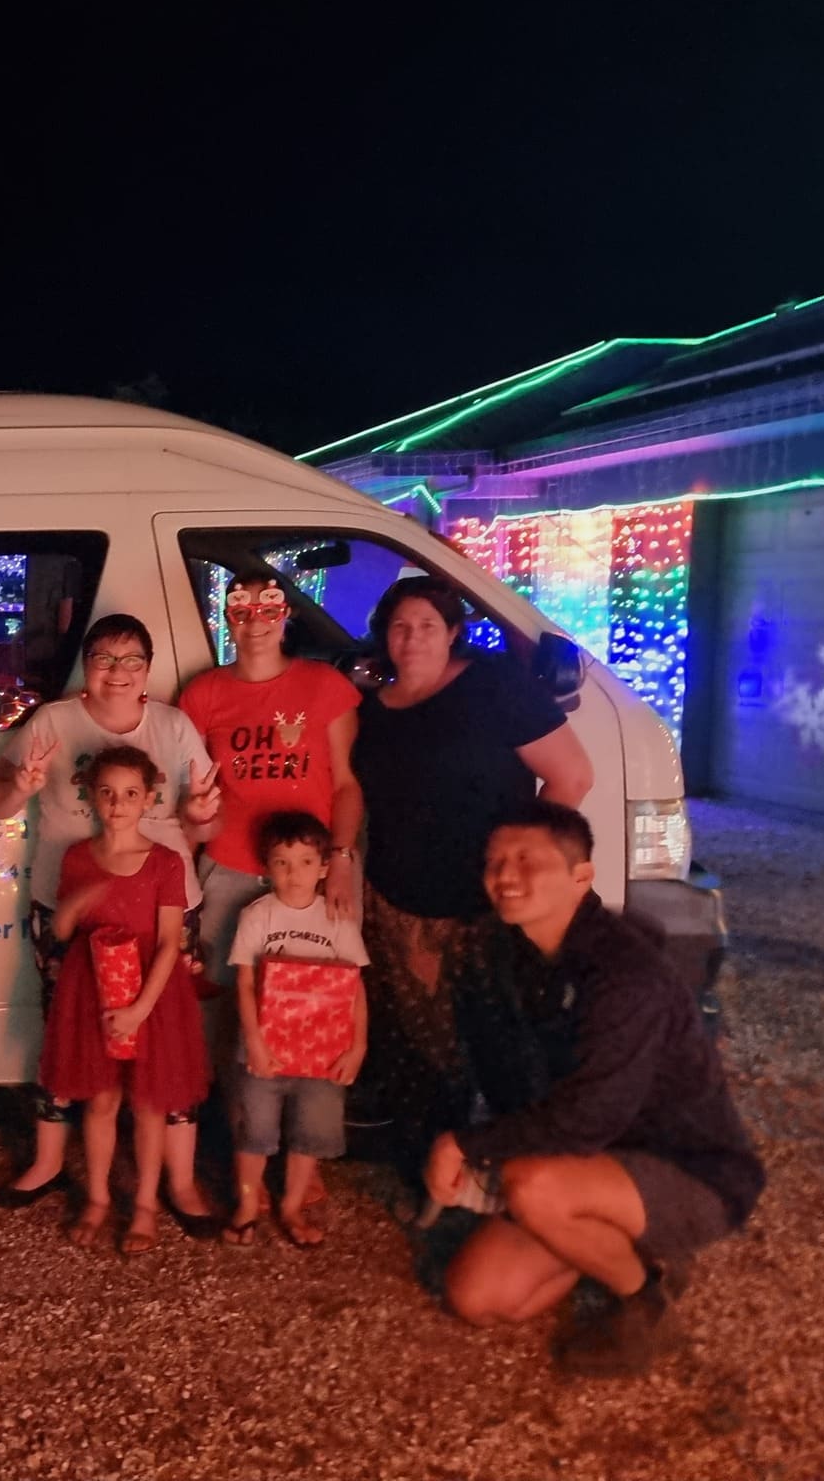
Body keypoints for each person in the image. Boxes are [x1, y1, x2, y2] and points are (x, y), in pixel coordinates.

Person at [434, 801, 764, 1377]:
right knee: (478, 1297)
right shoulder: (524, 954)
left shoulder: (623, 975)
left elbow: (590, 1117)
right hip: (594, 1163)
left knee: (532, 1186)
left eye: (527, 861)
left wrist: (467, 1145)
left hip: (690, 1170)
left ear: (581, 876)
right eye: (494, 862)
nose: (505, 876)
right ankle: (620, 1241)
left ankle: (645, 1304)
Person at [0, 613, 218, 1212]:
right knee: (68, 1030)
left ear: (148, 670)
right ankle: (49, 1161)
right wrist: (22, 787)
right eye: (104, 658)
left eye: (131, 659)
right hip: (67, 905)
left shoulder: (174, 726)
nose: (117, 671)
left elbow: (205, 822)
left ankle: (179, 1181)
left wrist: (202, 816)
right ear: (86, 666)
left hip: (163, 909)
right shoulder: (53, 722)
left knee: (167, 1040)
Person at [350, 576, 592, 1146]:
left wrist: (526, 869)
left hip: (487, 907)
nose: (413, 638)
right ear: (384, 635)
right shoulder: (371, 711)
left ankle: (525, 1170)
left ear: (454, 632)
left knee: (508, 1048)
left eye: (427, 626)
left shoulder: (495, 685)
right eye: (400, 627)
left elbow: (572, 776)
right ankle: (436, 1164)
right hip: (401, 908)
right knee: (421, 1055)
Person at [39, 746, 212, 1253]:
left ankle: (144, 1206)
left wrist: (140, 1009)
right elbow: (62, 930)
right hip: (91, 990)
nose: (118, 804)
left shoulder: (165, 862)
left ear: (149, 799)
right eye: (108, 793)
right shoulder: (77, 857)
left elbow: (169, 942)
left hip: (151, 996)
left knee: (149, 1105)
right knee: (101, 1100)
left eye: (130, 794)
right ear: (93, 797)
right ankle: (97, 1198)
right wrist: (78, 902)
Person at [178, 568, 363, 1007]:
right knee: (221, 996)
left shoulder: (324, 685)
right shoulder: (203, 693)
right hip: (229, 869)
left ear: (286, 615)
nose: (256, 623)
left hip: (312, 866)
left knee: (312, 998)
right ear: (228, 618)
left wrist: (339, 860)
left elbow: (345, 784)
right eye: (242, 612)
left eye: (268, 610)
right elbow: (190, 793)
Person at [224, 811, 369, 1249]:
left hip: (323, 1053)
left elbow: (355, 986)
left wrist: (357, 1046)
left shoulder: (337, 918)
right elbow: (244, 983)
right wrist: (253, 1041)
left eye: (306, 862)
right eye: (282, 863)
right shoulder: (257, 916)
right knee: (254, 1132)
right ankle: (247, 1205)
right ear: (267, 867)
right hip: (264, 1048)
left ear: (324, 868)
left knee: (310, 1133)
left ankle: (291, 1207)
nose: (294, 873)